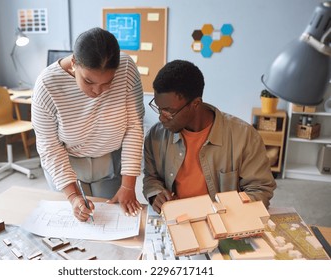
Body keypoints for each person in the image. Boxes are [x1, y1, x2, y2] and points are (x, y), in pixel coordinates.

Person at [32, 27, 145, 222]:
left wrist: (128, 186)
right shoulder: (46, 86)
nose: (97, 91)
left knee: (111, 220)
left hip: (110, 161)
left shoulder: (126, 69)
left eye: (107, 83)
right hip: (68, 164)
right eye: (88, 81)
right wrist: (73, 196)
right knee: (76, 221)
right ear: (74, 62)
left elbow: (134, 127)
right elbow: (49, 147)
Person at [143, 60, 276, 214]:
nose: (161, 118)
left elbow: (260, 190)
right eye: (158, 108)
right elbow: (151, 178)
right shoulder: (155, 135)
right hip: (178, 219)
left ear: (196, 104)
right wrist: (155, 194)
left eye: (168, 111)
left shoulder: (244, 136)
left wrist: (223, 215)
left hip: (225, 220)